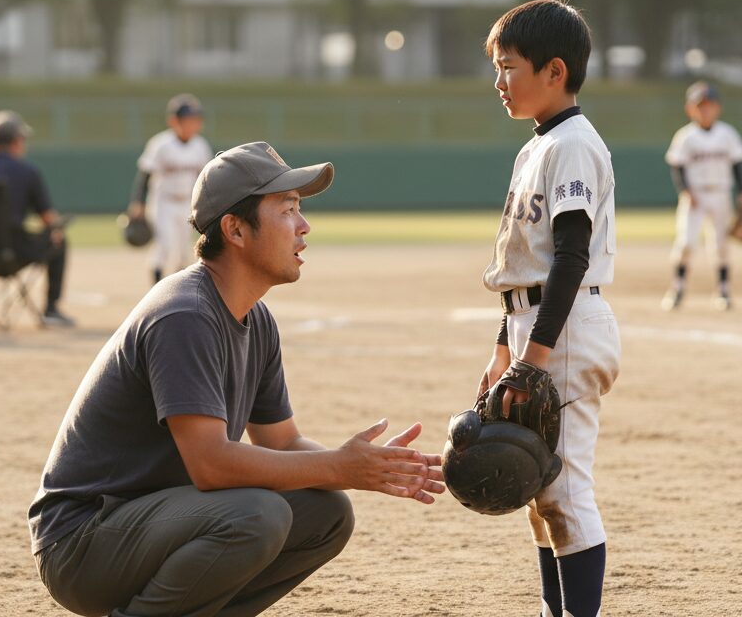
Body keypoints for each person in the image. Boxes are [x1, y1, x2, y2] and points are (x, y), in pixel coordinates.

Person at [30, 142, 444, 617]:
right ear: (235, 229)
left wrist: (376, 467)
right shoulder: (184, 314)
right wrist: (339, 467)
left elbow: (283, 443)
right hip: (82, 544)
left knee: (326, 514)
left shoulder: (256, 318)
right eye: (288, 210)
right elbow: (211, 465)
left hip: (156, 522)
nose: (304, 226)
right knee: (256, 516)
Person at [479, 0, 620, 617]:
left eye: (509, 66)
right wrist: (504, 348)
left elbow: (570, 258)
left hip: (562, 327)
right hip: (532, 323)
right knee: (536, 487)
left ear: (554, 71)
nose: (499, 81)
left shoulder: (574, 146)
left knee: (562, 488)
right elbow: (522, 264)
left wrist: (535, 355)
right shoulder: (537, 147)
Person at [0, 110, 74, 327]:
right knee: (59, 239)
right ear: (16, 141)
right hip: (12, 251)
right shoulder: (27, 171)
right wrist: (56, 228)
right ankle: (51, 309)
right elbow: (48, 219)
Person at [661, 81, 742, 311]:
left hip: (721, 193)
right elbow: (677, 167)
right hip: (695, 195)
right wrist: (686, 192)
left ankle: (723, 291)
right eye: (700, 105)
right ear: (690, 109)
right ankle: (678, 288)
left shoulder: (727, 134)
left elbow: (737, 165)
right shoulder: (686, 136)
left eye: (709, 105)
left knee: (720, 245)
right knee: (686, 243)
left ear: (717, 107)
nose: (705, 109)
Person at [127, 93, 212, 284]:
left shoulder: (200, 146)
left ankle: (178, 292)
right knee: (165, 246)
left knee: (183, 251)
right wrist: (138, 202)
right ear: (175, 120)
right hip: (162, 203)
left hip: (187, 205)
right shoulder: (161, 144)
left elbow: (205, 178)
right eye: (188, 119)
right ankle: (155, 289)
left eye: (195, 119)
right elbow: (145, 174)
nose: (193, 123)